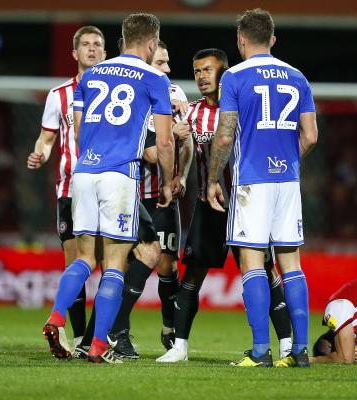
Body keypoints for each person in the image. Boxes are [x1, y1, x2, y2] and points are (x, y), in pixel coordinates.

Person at [41, 13, 174, 364]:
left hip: (84, 173)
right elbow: (163, 142)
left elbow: (81, 131)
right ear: (150, 43)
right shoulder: (155, 78)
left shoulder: (94, 74)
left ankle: (56, 316)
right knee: (114, 264)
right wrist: (167, 182)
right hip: (120, 176)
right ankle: (98, 345)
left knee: (84, 258)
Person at [156, 48, 293, 363]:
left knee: (264, 271)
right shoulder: (191, 112)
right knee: (193, 275)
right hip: (208, 205)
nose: (202, 76)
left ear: (224, 71)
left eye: (207, 69)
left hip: (246, 205)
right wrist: (178, 151)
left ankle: (286, 344)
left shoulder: (246, 109)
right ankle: (179, 347)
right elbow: (183, 146)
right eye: (197, 71)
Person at [207, 9, 318, 368]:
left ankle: (260, 351)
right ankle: (300, 351)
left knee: (252, 262)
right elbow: (311, 136)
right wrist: (288, 159)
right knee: (291, 264)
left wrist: (212, 179)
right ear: (272, 39)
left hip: (251, 180)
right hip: (287, 180)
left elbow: (224, 136)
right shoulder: (298, 76)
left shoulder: (235, 77)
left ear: (241, 40)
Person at [106, 40, 192, 358]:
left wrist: (181, 176)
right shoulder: (136, 95)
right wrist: (175, 136)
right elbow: (152, 151)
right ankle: (116, 331)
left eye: (168, 62)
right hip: (135, 194)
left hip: (166, 198)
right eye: (160, 63)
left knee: (167, 265)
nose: (167, 69)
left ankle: (169, 330)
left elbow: (187, 142)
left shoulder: (177, 94)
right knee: (133, 260)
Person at [27, 25, 106, 350]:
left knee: (111, 264)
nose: (90, 49)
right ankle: (77, 337)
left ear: (104, 52)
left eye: (96, 45)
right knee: (77, 264)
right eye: (85, 44)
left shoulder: (116, 92)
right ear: (74, 53)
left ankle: (96, 337)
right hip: (71, 190)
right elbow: (46, 139)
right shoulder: (59, 95)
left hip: (107, 189)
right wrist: (40, 154)